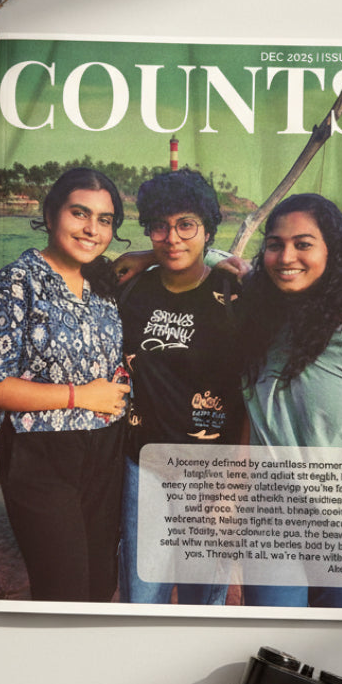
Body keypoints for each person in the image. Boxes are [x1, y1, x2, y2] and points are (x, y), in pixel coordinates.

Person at [0, 168, 131, 602]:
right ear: (50, 215)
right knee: (62, 587)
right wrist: (82, 396)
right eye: (80, 214)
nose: (92, 229)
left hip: (107, 448)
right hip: (42, 453)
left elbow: (177, 253)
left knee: (102, 583)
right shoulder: (18, 280)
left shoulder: (101, 283)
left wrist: (145, 257)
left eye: (105, 220)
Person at [239, 193, 342, 609]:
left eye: (303, 244)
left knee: (337, 650)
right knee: (271, 639)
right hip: (270, 522)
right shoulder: (257, 325)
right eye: (275, 244)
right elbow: (201, 258)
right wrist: (141, 257)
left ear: (330, 252)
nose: (286, 257)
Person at [118, 168, 245, 605]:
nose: (172, 237)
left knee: (201, 602)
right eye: (159, 226)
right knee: (142, 596)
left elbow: (249, 395)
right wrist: (144, 256)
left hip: (208, 474)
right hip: (144, 467)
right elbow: (85, 261)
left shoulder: (234, 294)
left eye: (186, 224)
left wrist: (231, 486)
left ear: (208, 229)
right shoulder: (131, 289)